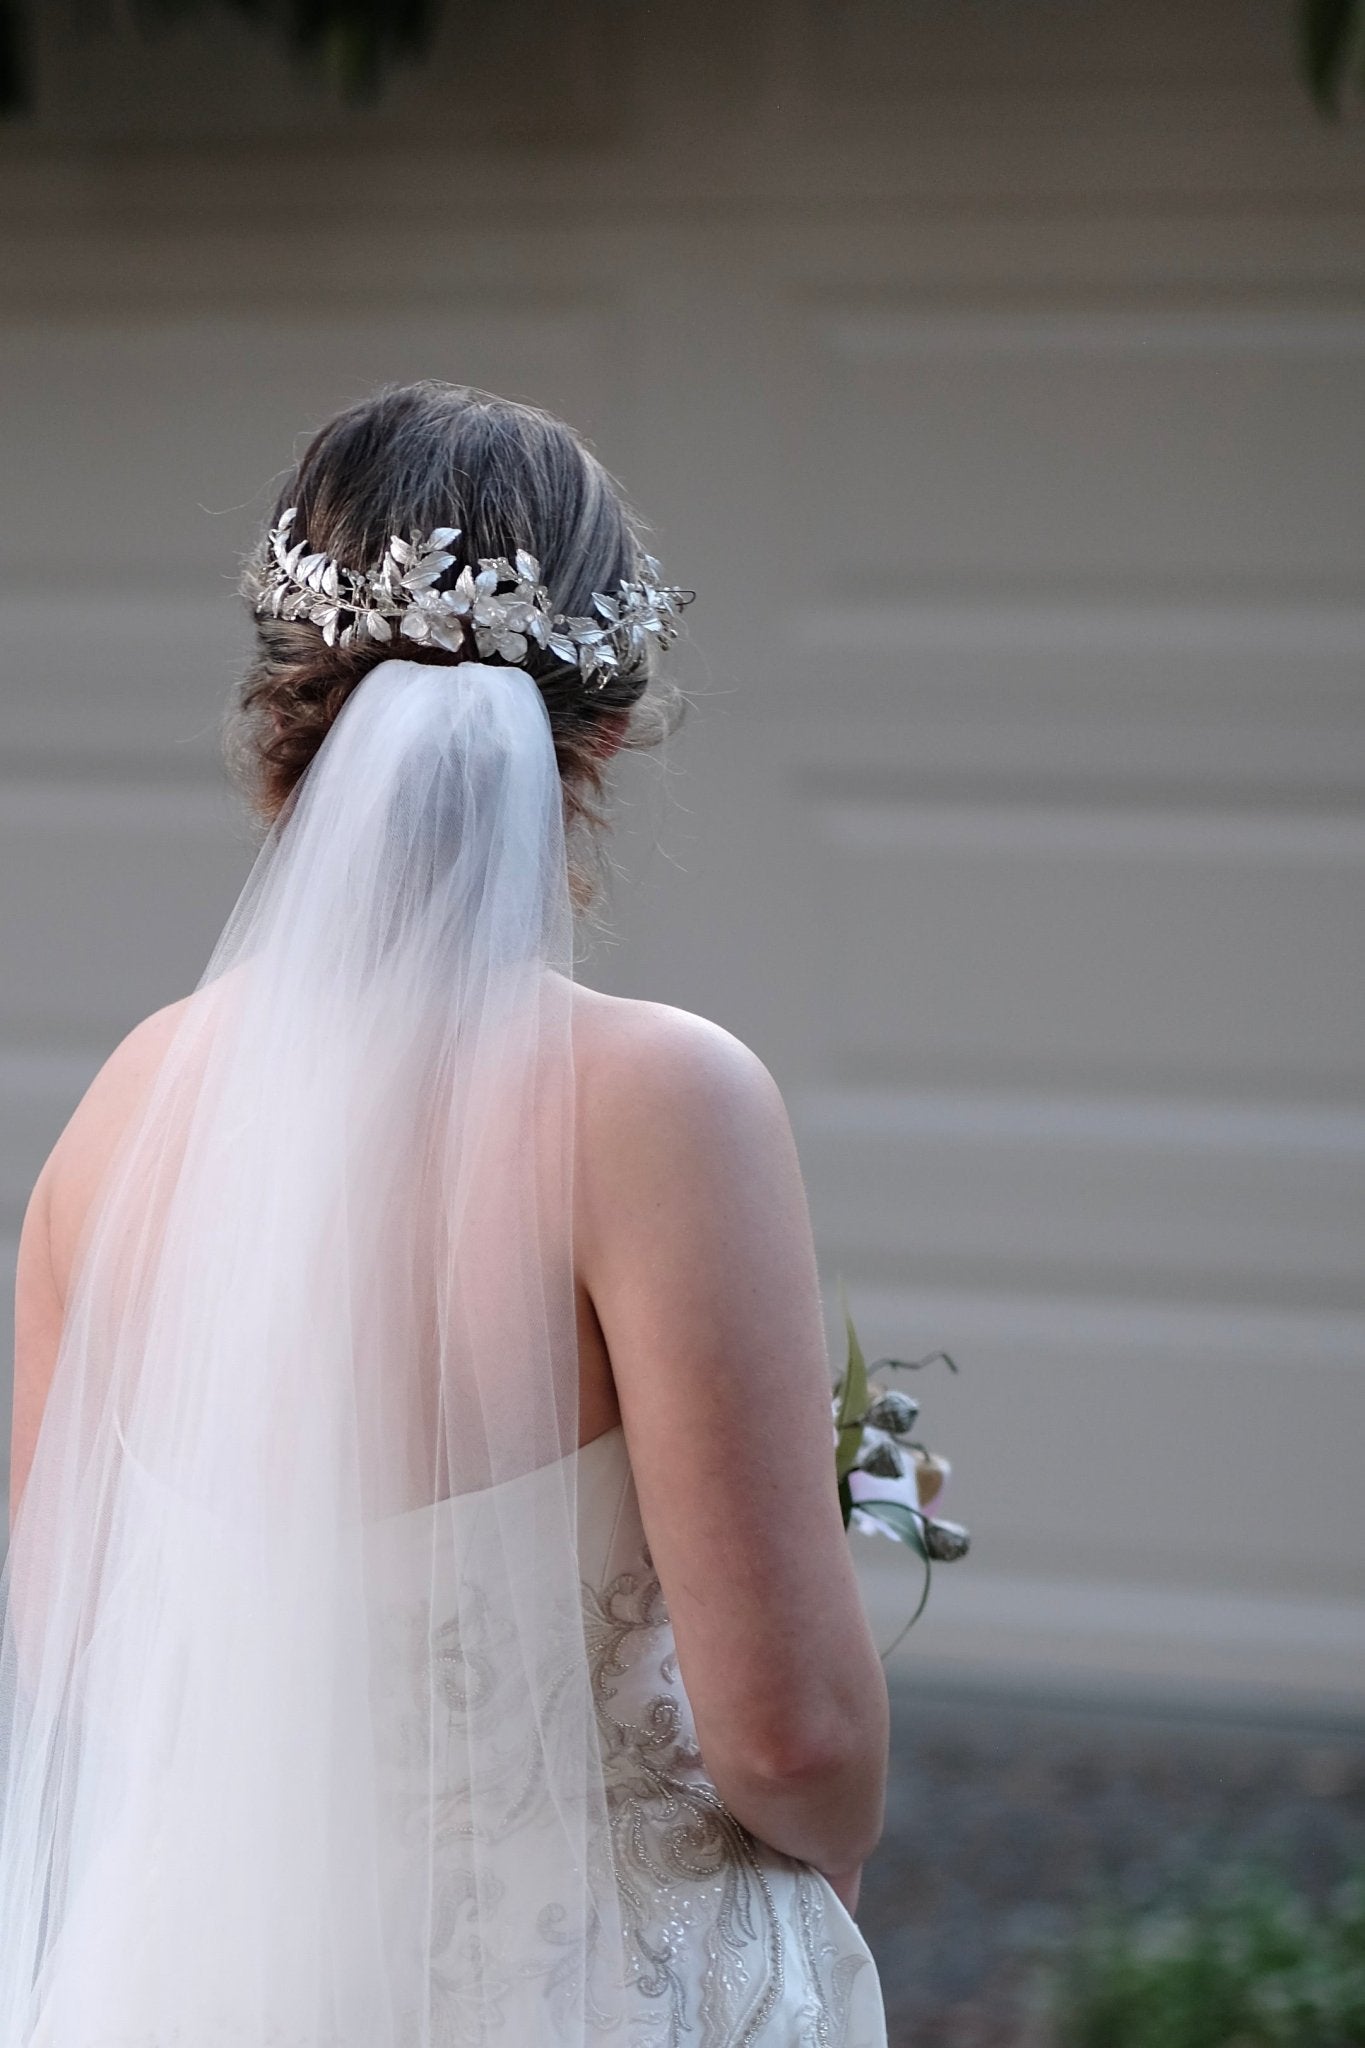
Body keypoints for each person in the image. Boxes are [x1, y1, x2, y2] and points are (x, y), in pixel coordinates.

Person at [2, 381, 891, 2044]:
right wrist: (827, 1870)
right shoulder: (658, 1106)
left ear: (287, 712)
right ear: (606, 731)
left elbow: (74, 1652)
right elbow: (792, 1739)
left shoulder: (128, 1108)